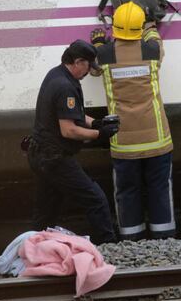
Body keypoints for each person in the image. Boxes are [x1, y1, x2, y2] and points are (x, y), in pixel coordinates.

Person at [90, 1, 175, 241]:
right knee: (160, 190)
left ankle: (131, 239)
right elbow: (155, 37)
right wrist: (149, 25)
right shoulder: (152, 51)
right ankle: (164, 238)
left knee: (127, 192)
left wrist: (97, 42)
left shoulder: (104, 54)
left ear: (114, 28)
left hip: (123, 143)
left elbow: (94, 69)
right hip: (156, 139)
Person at [28, 40, 119, 244]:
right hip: (55, 158)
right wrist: (100, 135)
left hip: (41, 155)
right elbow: (68, 130)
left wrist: (95, 122)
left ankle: (32, 248)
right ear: (78, 62)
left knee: (46, 211)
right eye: (88, 66)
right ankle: (109, 246)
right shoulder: (64, 86)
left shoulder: (57, 74)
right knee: (95, 199)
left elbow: (72, 114)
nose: (88, 72)